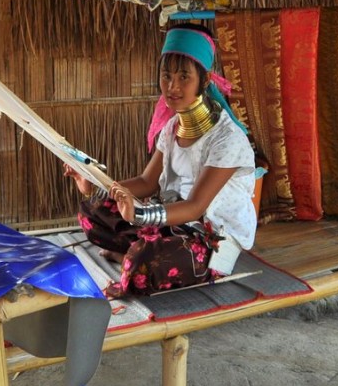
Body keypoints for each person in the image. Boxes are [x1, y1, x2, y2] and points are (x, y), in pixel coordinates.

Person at [64, 23, 256, 296]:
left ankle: (132, 258)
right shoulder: (172, 127)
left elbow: (195, 207)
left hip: (210, 236)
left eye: (183, 77)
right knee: (91, 211)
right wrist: (94, 185)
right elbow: (147, 182)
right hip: (171, 221)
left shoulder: (227, 139)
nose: (172, 87)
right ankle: (134, 254)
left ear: (204, 80)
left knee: (144, 261)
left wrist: (140, 215)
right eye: (166, 76)